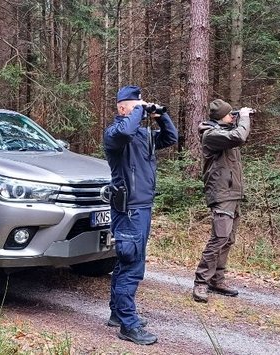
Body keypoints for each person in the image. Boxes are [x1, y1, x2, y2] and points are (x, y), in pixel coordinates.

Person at [103, 85, 178, 345]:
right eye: (134, 106)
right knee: (131, 266)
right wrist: (137, 112)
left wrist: (160, 115)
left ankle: (117, 313)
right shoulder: (114, 134)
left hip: (143, 207)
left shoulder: (143, 135)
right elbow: (124, 131)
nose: (140, 110)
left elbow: (171, 138)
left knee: (128, 262)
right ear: (122, 108)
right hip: (129, 210)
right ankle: (128, 325)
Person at [192, 99, 253, 303]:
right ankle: (201, 282)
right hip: (221, 194)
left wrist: (237, 119)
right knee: (219, 237)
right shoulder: (212, 135)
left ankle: (217, 279)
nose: (232, 117)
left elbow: (236, 135)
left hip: (232, 193)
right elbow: (239, 136)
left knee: (228, 239)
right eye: (229, 114)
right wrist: (243, 117)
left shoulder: (223, 132)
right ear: (220, 117)